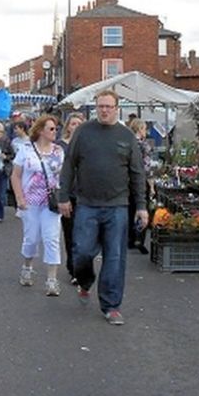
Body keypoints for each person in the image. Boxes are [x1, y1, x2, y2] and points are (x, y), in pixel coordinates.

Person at [58, 90, 147, 326]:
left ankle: (111, 306)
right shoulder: (83, 132)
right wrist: (63, 196)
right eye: (100, 106)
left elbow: (137, 173)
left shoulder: (126, 136)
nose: (104, 110)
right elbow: (69, 165)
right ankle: (85, 280)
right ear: (95, 108)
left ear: (117, 108)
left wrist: (142, 206)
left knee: (115, 257)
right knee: (82, 252)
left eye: (108, 106)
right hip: (86, 203)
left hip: (117, 205)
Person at [11, 115, 65, 296]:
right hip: (30, 202)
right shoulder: (25, 149)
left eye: (56, 129)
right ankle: (27, 267)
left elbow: (63, 177)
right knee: (32, 238)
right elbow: (16, 175)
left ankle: (52, 280)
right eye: (51, 129)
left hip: (51, 202)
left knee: (51, 239)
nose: (54, 132)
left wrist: (65, 198)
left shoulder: (58, 151)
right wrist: (19, 198)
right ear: (41, 130)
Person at [56, 112, 85, 282]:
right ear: (67, 126)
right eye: (73, 123)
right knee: (70, 233)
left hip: (85, 194)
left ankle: (79, 266)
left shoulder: (87, 145)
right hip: (67, 194)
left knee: (83, 234)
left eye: (79, 124)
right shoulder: (60, 146)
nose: (75, 126)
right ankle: (73, 268)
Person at [127, 118, 155, 254]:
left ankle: (129, 239)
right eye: (144, 129)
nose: (146, 132)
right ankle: (139, 239)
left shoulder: (127, 143)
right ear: (139, 129)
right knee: (142, 209)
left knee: (129, 209)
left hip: (126, 182)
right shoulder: (144, 146)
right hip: (140, 181)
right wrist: (152, 185)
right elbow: (147, 167)